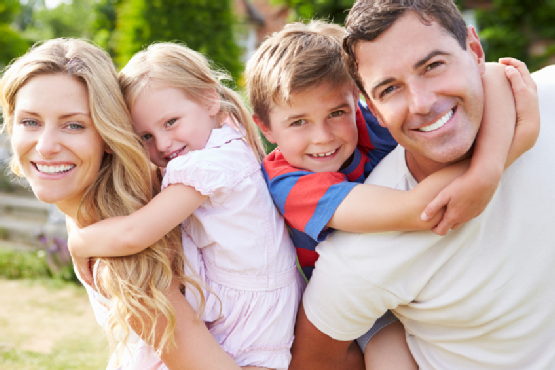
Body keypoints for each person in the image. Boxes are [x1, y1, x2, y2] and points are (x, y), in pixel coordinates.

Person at [245, 20, 537, 369]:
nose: (323, 137)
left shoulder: (368, 123)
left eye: (337, 113)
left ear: (357, 100)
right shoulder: (290, 184)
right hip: (355, 307)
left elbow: (489, 72)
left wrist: (489, 163)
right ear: (265, 127)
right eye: (298, 122)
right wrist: (506, 151)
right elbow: (417, 209)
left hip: (413, 283)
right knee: (387, 356)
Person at [0, 38, 260, 370]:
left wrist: (80, 243)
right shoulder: (93, 209)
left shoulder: (124, 260)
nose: (47, 145)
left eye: (74, 125)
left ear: (109, 137)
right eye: (30, 121)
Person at [67, 42, 305, 370]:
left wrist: (78, 242)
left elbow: (134, 233)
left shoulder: (209, 165)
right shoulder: (228, 143)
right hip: (255, 315)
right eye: (145, 137)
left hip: (247, 323)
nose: (163, 144)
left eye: (171, 122)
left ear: (209, 99)